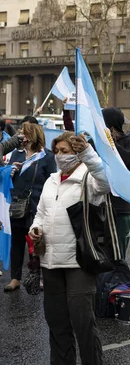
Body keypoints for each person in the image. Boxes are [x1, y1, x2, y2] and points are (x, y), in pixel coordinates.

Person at [28, 132, 109, 364]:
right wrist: (36, 227)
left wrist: (88, 153)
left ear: (77, 155)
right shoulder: (51, 180)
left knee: (83, 323)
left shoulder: (90, 179)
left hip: (79, 262)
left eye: (66, 151)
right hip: (50, 262)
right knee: (57, 323)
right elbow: (41, 213)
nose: (60, 156)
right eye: (58, 151)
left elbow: (104, 182)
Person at [4, 123, 55, 292]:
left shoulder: (47, 156)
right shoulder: (16, 155)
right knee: (17, 242)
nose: (21, 138)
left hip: (37, 205)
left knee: (38, 242)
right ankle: (15, 278)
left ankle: (40, 275)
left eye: (24, 134)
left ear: (33, 135)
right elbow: (7, 175)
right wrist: (10, 170)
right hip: (17, 204)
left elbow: (52, 180)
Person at [102, 107, 130, 258]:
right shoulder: (97, 142)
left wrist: (109, 142)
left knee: (118, 254)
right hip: (99, 205)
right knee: (101, 253)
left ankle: (119, 281)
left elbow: (129, 159)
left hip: (120, 206)